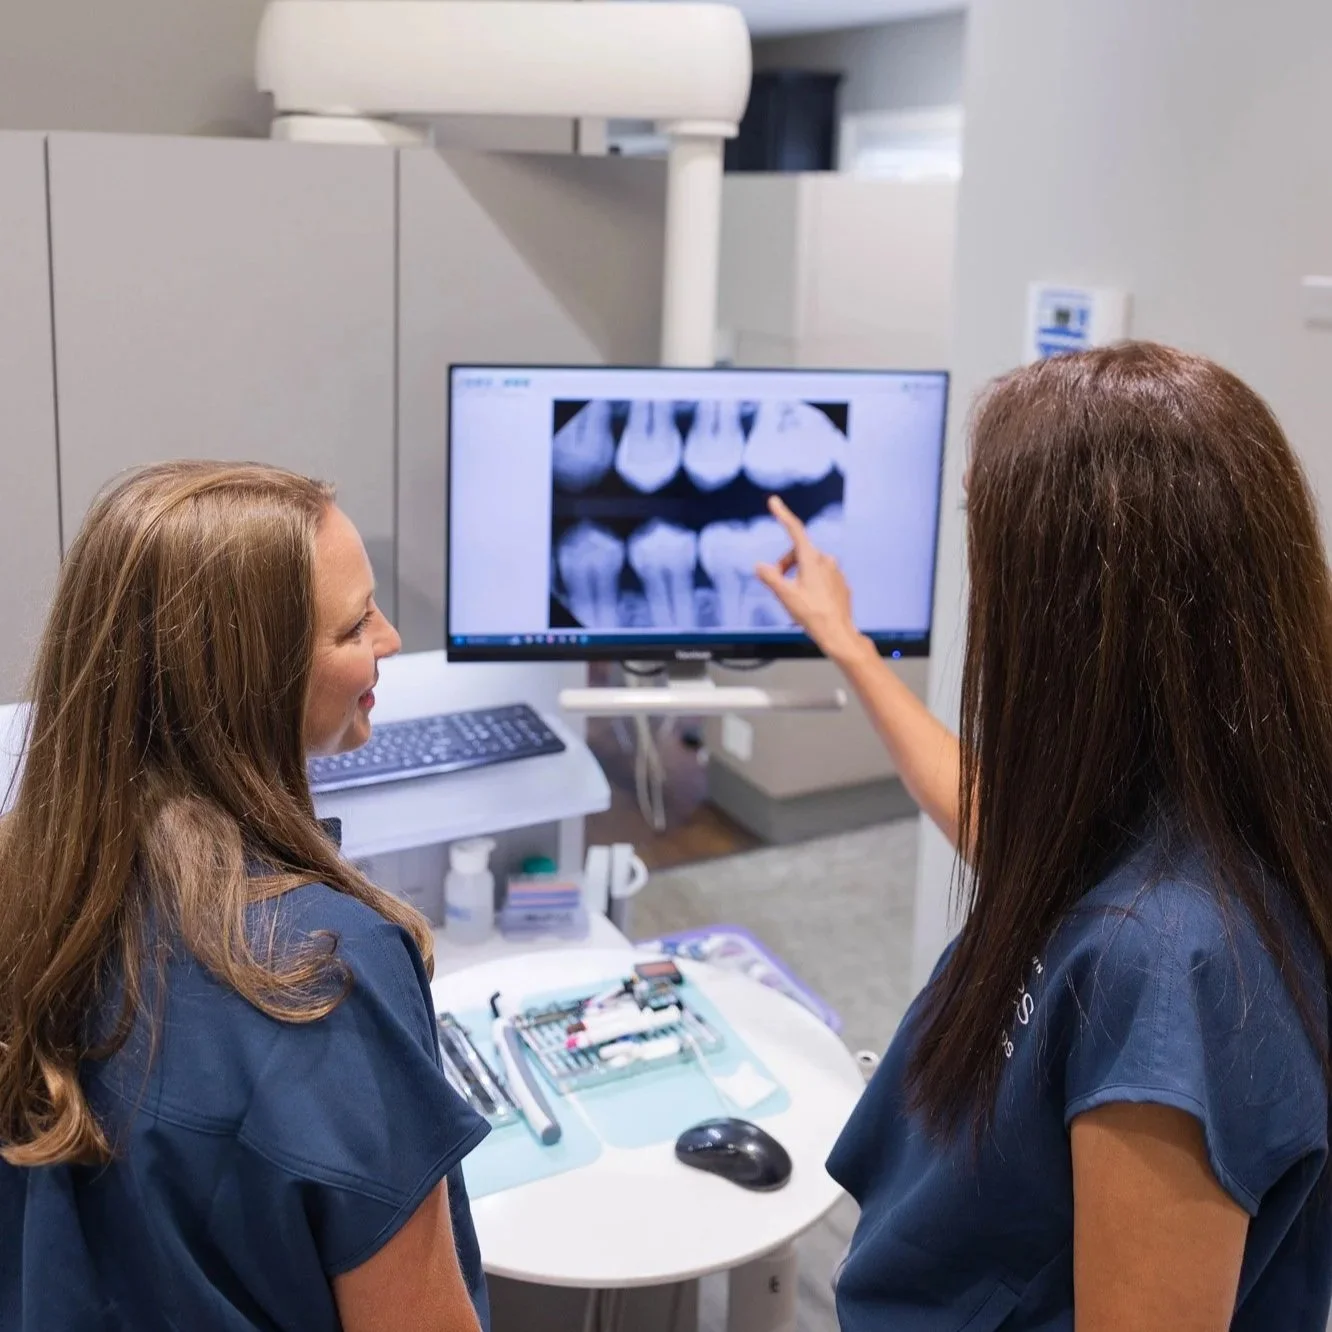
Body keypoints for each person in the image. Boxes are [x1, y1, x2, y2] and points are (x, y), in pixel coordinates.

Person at [756, 342, 1332, 1331]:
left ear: (1076, 614)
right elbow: (1002, 830)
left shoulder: (1169, 973)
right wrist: (849, 645)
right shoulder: (1199, 816)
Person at [0, 462, 489, 1332]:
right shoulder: (322, 971)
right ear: (250, 678)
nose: (390, 638)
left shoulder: (26, 884)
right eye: (355, 625)